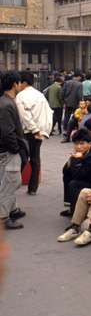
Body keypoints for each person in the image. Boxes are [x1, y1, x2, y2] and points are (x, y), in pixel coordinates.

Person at [16, 71, 53, 195]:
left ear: (24, 83)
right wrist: (43, 130)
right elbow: (48, 113)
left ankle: (13, 185)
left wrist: (33, 129)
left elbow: (25, 115)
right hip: (39, 131)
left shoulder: (21, 96)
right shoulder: (39, 95)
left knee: (22, 158)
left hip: (28, 131)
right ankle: (33, 188)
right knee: (35, 159)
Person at [0, 71, 28, 230]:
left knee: (9, 180)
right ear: (14, 84)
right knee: (10, 183)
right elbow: (8, 132)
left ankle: (13, 209)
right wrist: (16, 149)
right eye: (19, 82)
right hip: (9, 150)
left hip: (6, 150)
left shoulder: (5, 101)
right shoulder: (7, 104)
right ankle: (4, 217)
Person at [61, 128, 91, 217]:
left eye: (82, 143)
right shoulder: (81, 152)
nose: (78, 147)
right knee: (66, 175)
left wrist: (77, 159)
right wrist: (70, 161)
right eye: (76, 144)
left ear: (90, 143)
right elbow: (65, 171)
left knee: (73, 183)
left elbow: (78, 174)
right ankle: (71, 206)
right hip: (86, 176)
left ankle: (76, 214)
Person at [61, 70, 83, 142]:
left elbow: (63, 92)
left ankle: (65, 130)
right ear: (78, 77)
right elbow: (79, 95)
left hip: (67, 102)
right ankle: (75, 129)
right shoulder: (79, 84)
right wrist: (80, 103)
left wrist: (63, 100)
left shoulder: (67, 82)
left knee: (66, 117)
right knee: (75, 117)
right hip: (75, 103)